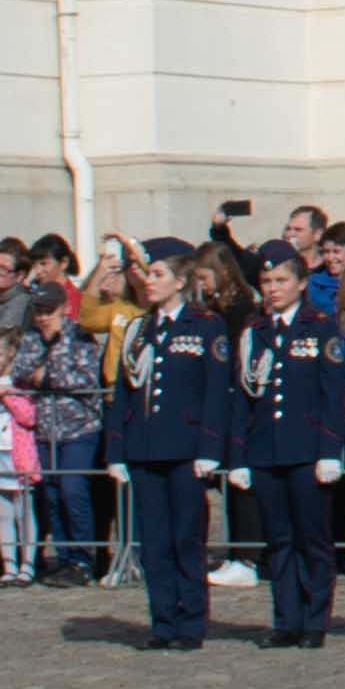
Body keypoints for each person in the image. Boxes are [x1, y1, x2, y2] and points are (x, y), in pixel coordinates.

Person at [223, 241, 345, 645]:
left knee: (312, 539)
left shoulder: (320, 326)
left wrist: (330, 450)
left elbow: (333, 396)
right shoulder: (255, 332)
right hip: (266, 450)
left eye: (281, 280)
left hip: (307, 450)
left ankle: (314, 621)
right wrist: (239, 455)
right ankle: (286, 619)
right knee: (278, 541)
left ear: (301, 283)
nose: (272, 288)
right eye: (266, 281)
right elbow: (244, 399)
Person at [106, 249, 233, 649]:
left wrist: (210, 447)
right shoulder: (139, 330)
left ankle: (191, 623)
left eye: (158, 274)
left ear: (180, 281)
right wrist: (116, 452)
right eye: (147, 274)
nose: (149, 281)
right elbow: (123, 395)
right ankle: (162, 622)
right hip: (145, 449)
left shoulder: (207, 327)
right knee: (154, 541)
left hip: (185, 449)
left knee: (185, 539)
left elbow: (215, 392)